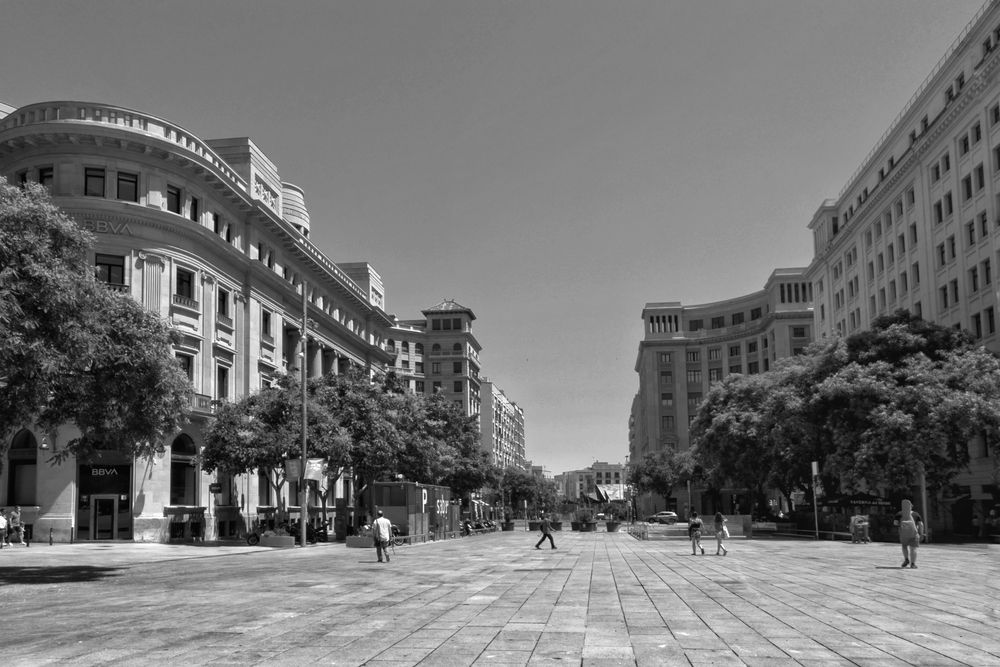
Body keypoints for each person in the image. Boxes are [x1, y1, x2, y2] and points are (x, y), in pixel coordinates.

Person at [894, 499, 924, 568]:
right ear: (911, 506)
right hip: (914, 534)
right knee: (913, 549)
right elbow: (921, 524)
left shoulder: (899, 514)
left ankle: (906, 559)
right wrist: (921, 534)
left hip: (903, 534)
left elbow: (895, 523)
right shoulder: (916, 514)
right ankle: (913, 564)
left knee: (904, 547)